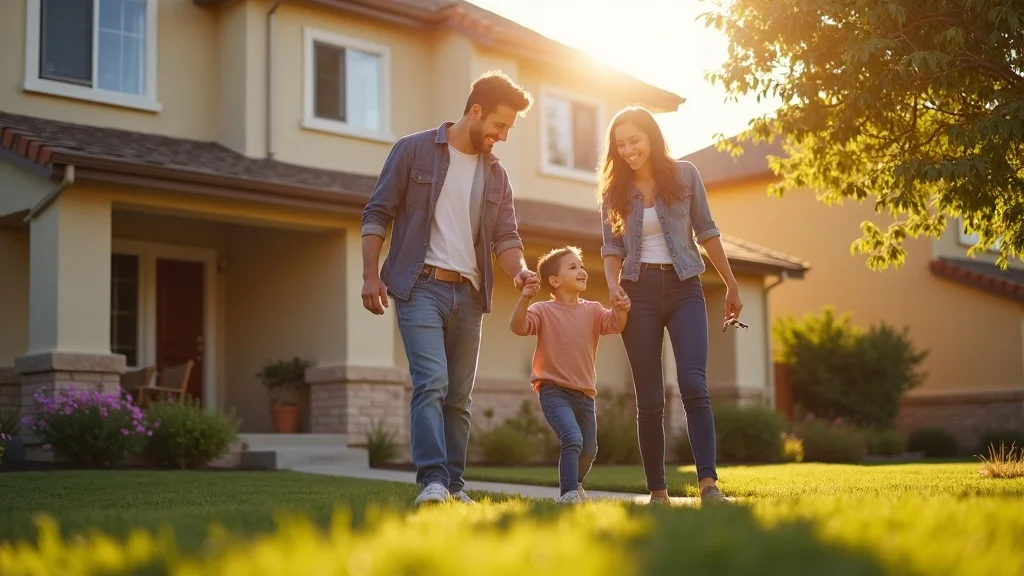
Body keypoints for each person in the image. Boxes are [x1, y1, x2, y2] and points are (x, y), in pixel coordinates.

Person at [361, 70, 540, 506]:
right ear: (475, 111)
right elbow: (377, 213)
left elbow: (506, 237)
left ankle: (454, 487)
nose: (503, 135)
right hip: (420, 285)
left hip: (470, 293)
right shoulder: (413, 150)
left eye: (509, 129)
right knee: (432, 383)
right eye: (500, 125)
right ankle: (432, 481)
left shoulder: (496, 174)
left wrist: (518, 270)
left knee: (459, 398)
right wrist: (370, 274)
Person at [598, 106, 742, 505]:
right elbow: (611, 247)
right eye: (620, 144)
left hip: (685, 289)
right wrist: (614, 287)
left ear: (652, 137)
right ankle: (657, 492)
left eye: (634, 141)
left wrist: (731, 284)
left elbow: (707, 231)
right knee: (649, 397)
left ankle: (708, 485)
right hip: (637, 292)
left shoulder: (685, 175)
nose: (628, 150)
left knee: (694, 384)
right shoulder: (614, 190)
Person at [509, 246, 629, 503]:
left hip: (585, 394)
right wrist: (524, 299)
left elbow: (616, 325)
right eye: (573, 267)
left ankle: (575, 486)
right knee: (572, 437)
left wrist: (621, 307)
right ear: (555, 281)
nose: (582, 271)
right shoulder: (543, 310)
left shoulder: (594, 310)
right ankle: (568, 494)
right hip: (554, 390)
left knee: (589, 449)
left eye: (581, 266)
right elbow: (518, 327)